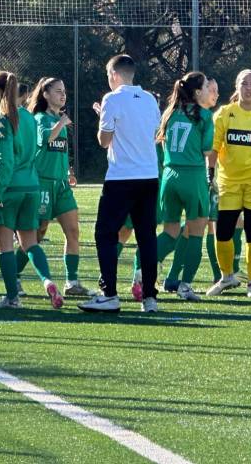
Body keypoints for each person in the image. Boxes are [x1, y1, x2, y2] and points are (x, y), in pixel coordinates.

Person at [78, 54, 161, 314]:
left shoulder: (111, 99)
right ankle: (149, 298)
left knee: (105, 234)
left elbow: (104, 140)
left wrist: (104, 117)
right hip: (149, 176)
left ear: (114, 74)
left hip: (121, 177)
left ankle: (109, 294)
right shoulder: (150, 99)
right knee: (146, 237)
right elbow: (153, 133)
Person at [0, 71, 63, 309]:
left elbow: (4, 160)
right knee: (30, 243)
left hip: (9, 189)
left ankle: (11, 297)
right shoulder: (30, 118)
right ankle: (48, 281)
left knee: (5, 246)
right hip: (32, 187)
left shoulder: (1, 119)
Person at [206, 69, 251, 298]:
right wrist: (210, 174)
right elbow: (213, 147)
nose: (249, 87)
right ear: (237, 86)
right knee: (222, 232)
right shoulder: (224, 113)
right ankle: (226, 277)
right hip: (228, 183)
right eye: (245, 83)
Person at [154, 72, 214, 301]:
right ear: (197, 92)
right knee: (196, 233)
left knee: (169, 233)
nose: (209, 90)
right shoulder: (204, 115)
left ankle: (143, 268)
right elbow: (207, 151)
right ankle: (185, 285)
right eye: (207, 86)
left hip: (169, 176)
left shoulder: (170, 113)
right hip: (192, 176)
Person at [28, 77, 89, 297]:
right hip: (42, 184)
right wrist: (61, 123)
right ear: (45, 94)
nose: (63, 95)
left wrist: (68, 170)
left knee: (73, 231)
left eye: (64, 91)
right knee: (35, 235)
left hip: (61, 186)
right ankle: (14, 278)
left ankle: (71, 282)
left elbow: (58, 149)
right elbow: (45, 139)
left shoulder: (57, 119)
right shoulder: (40, 119)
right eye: (57, 91)